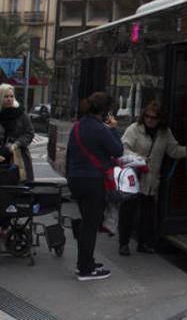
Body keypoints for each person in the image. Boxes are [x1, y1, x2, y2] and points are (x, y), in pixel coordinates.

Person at [66, 92, 122, 281]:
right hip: (93, 181)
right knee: (91, 224)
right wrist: (114, 129)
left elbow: (69, 155)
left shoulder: (77, 126)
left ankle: (85, 262)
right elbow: (118, 150)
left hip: (76, 180)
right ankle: (86, 269)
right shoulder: (101, 129)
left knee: (87, 221)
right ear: (105, 112)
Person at [119, 101, 186, 256]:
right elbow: (123, 148)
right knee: (128, 211)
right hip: (133, 178)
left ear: (160, 119)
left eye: (154, 117)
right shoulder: (134, 129)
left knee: (147, 214)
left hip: (150, 180)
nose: (150, 120)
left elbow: (173, 150)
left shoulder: (164, 133)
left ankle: (143, 243)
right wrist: (138, 158)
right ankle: (123, 243)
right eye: (147, 116)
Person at [0, 83, 35, 182]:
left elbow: (29, 133)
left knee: (20, 188)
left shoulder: (21, 113)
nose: (9, 99)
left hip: (18, 157)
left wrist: (16, 144)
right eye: (6, 96)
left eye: (11, 96)